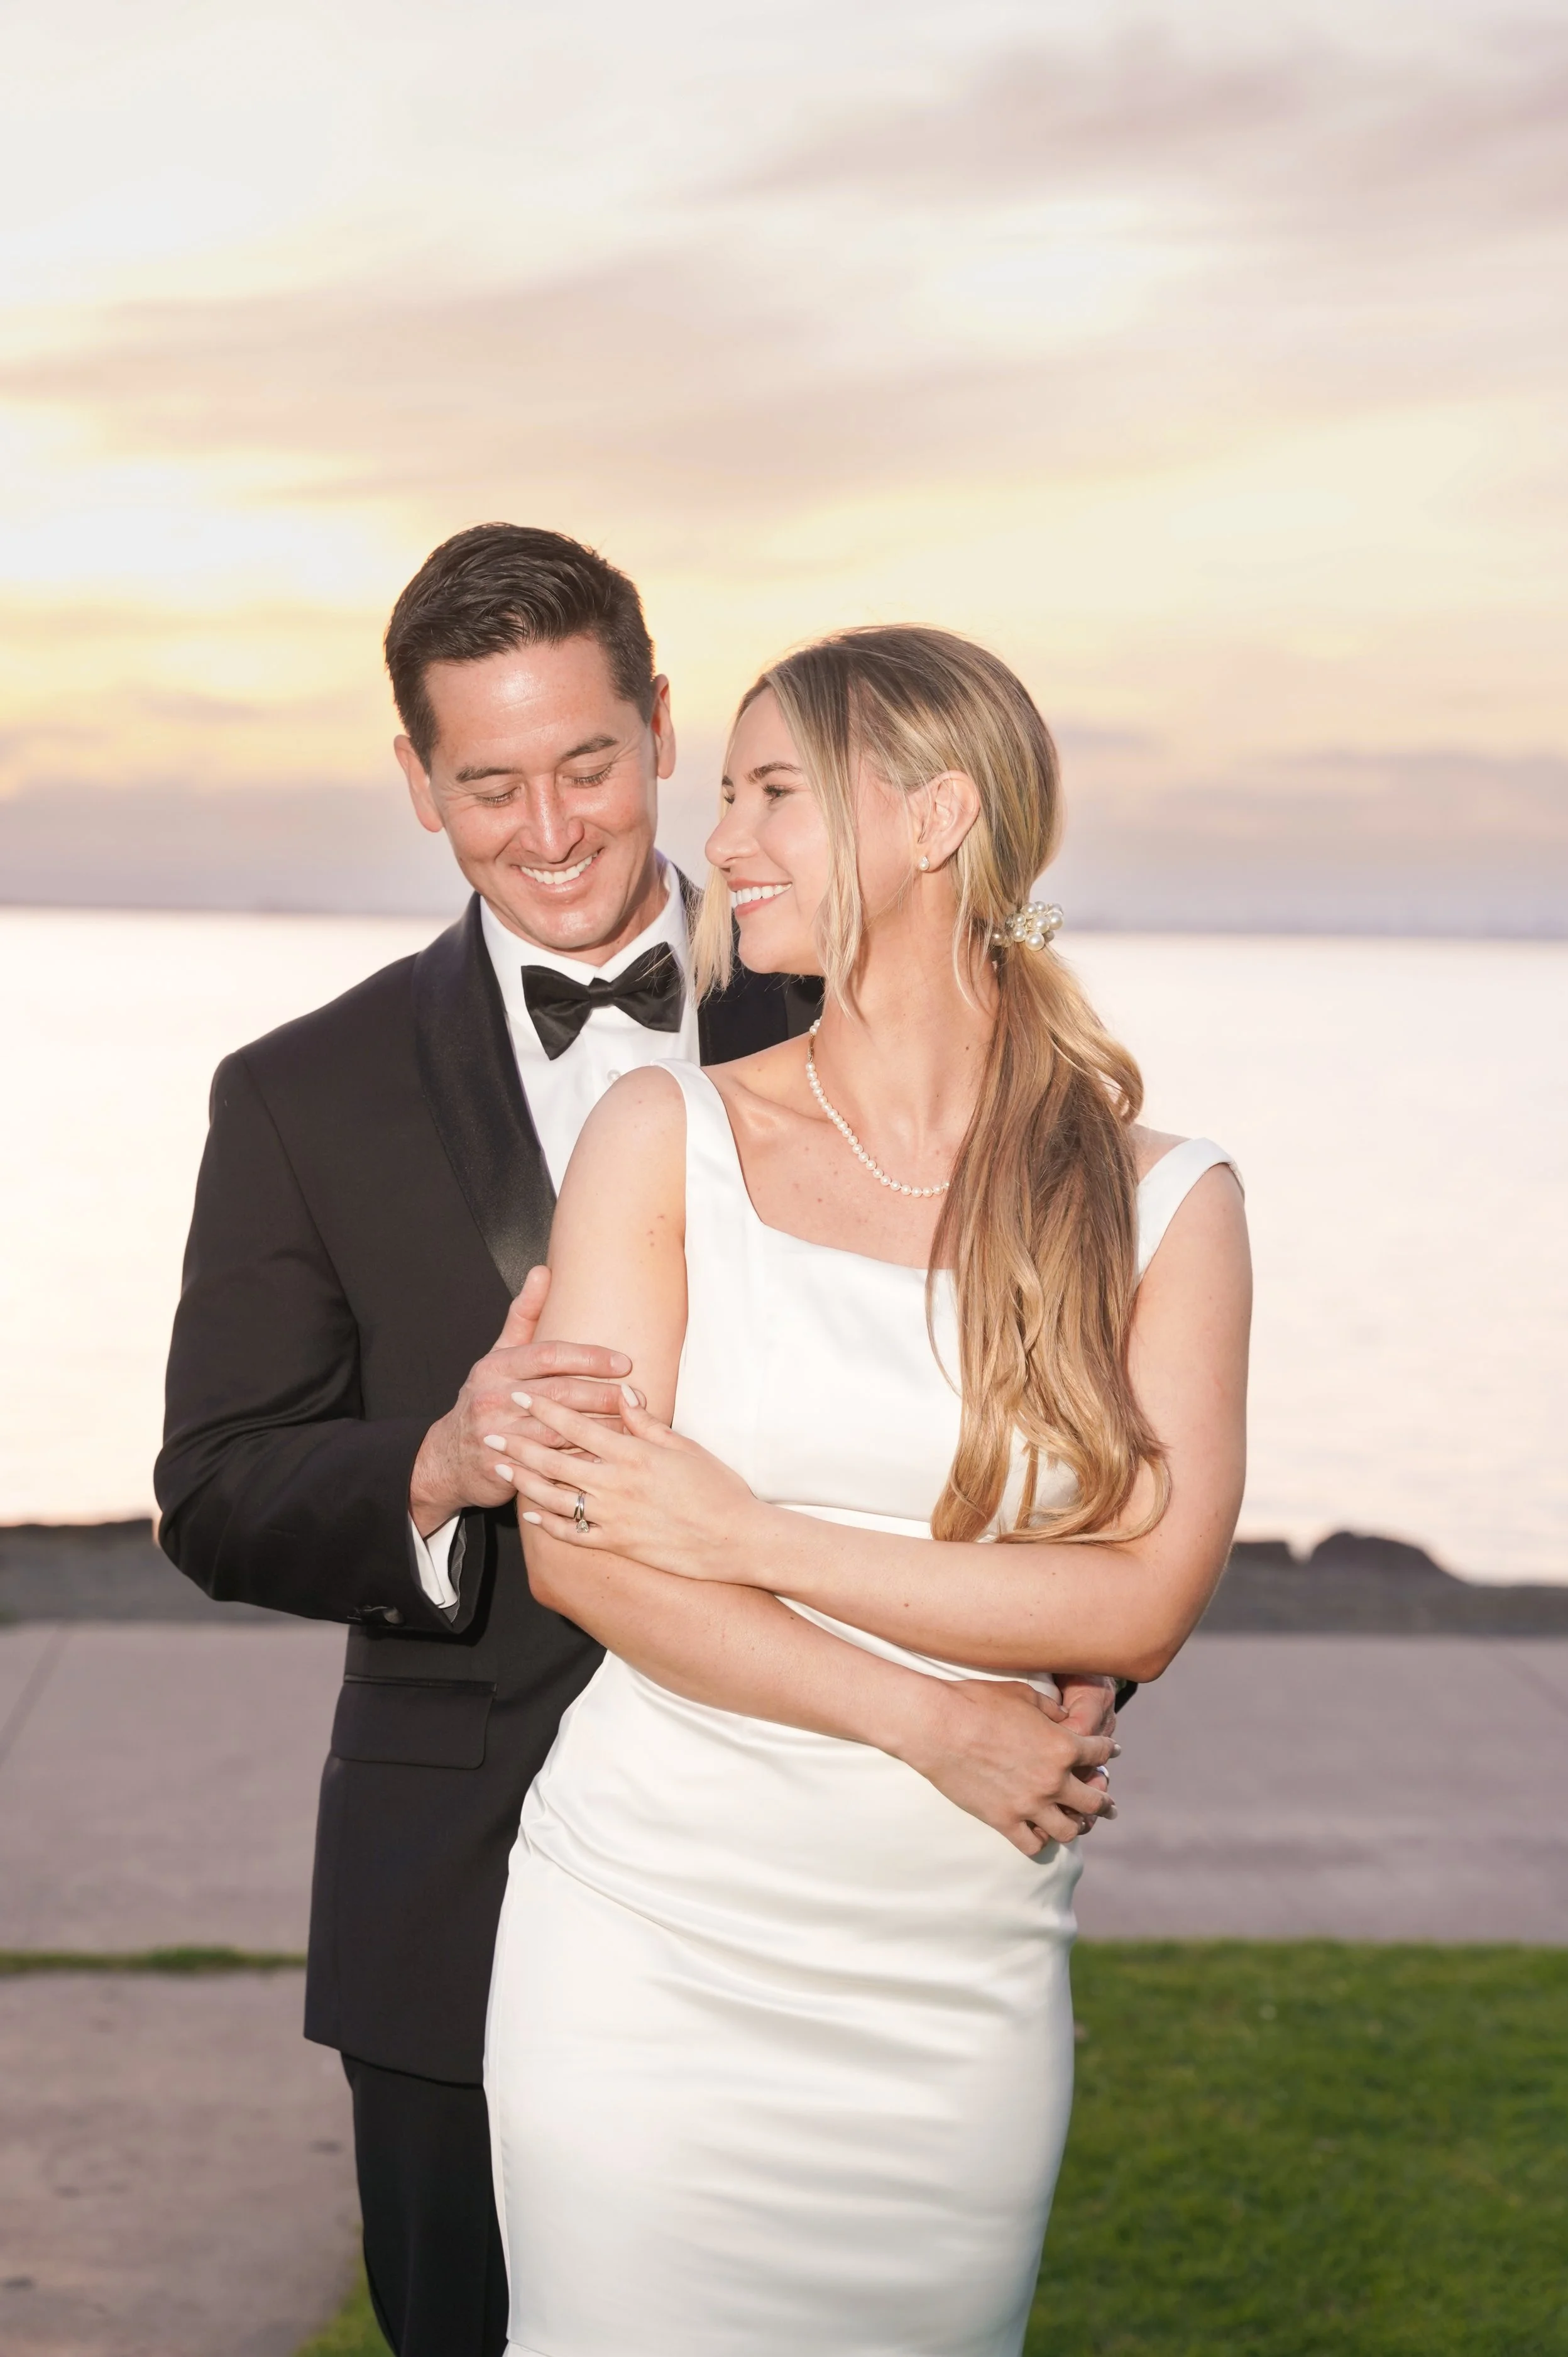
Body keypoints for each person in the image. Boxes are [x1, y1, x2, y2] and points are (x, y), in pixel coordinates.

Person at [155, 539, 1126, 2357]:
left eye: (588, 764)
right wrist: (435, 1463)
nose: (549, 831)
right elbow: (212, 1484)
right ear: (416, 782)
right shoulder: (301, 1092)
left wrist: (1058, 1659)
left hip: (837, 1860)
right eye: (487, 785)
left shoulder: (864, 1003)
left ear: (664, 726)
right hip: (457, 1890)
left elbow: (1028, 1397)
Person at [483, 625, 1251, 2356]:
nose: (723, 840)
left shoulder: (1165, 1204)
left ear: (930, 820)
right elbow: (585, 1554)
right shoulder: (657, 1137)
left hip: (951, 1987)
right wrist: (934, 1717)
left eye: (772, 793)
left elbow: (1142, 1597)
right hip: (648, 1949)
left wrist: (744, 1532)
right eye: (727, 794)